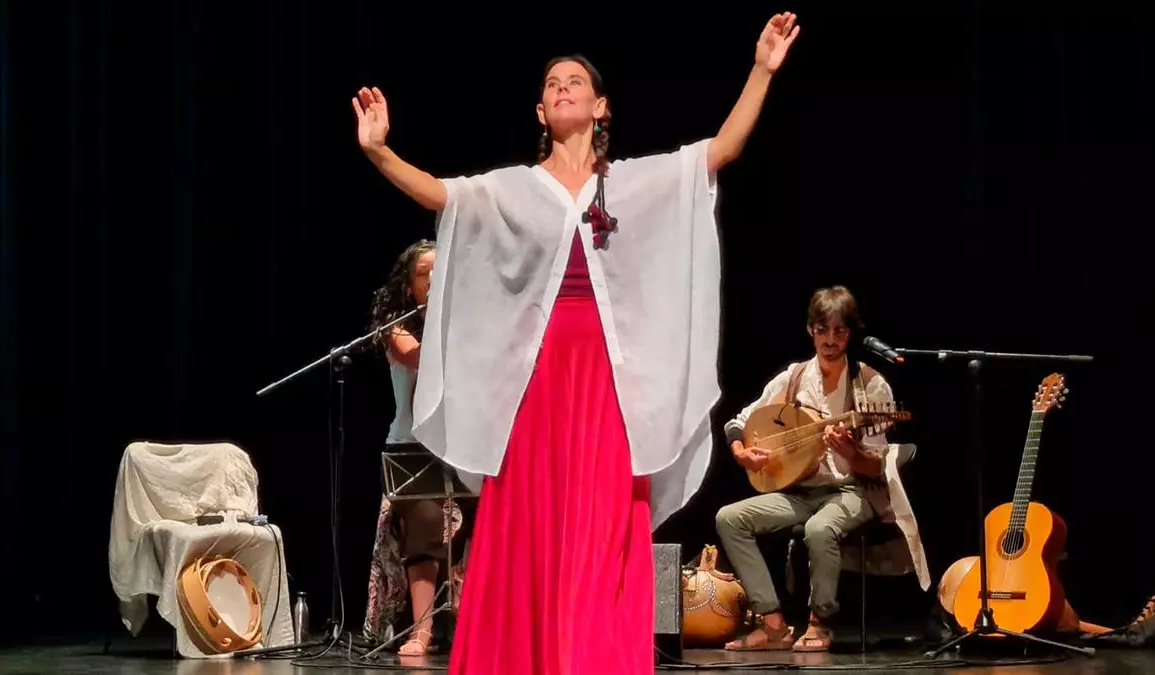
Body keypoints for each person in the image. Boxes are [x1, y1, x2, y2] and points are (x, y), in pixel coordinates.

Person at [352, 12, 801, 673]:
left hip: (606, 378)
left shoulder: (629, 183)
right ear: (541, 110)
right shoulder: (514, 188)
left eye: (575, 82)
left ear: (600, 106)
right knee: (529, 513)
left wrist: (761, 70)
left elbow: (720, 151)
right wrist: (379, 152)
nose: (563, 88)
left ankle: (593, 654)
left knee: (604, 514)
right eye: (551, 84)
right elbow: (444, 196)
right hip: (535, 377)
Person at [714, 285, 895, 652]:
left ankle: (819, 622)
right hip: (799, 491)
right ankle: (773, 625)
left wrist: (850, 452)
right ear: (810, 330)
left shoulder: (870, 385)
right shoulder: (794, 378)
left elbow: (876, 467)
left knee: (819, 529)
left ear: (850, 333)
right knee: (729, 518)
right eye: (822, 330)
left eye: (840, 330)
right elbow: (739, 421)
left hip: (851, 490)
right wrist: (741, 453)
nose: (830, 340)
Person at [362, 239, 471, 657]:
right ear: (409, 286)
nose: (434, 278)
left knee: (483, 522)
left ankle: (472, 621)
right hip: (413, 448)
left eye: (441, 270)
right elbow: (418, 358)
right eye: (424, 273)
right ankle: (422, 631)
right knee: (425, 526)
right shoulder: (397, 326)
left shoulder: (469, 322)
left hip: (465, 445)